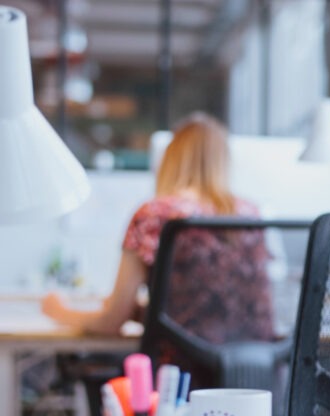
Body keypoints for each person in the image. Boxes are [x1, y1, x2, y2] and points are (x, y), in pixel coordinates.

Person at [41, 112, 272, 353]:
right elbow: (219, 312)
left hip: (180, 377)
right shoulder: (250, 214)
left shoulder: (155, 215)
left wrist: (59, 311)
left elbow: (111, 322)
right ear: (224, 162)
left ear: (171, 159)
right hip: (256, 377)